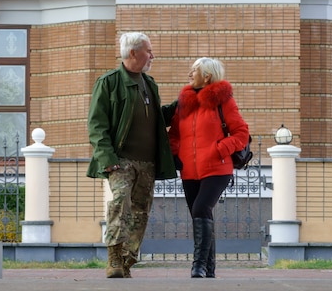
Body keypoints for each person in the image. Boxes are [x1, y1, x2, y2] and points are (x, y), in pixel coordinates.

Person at [87, 32, 177, 278]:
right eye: (149, 50)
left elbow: (157, 120)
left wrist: (182, 104)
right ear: (134, 52)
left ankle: (127, 261)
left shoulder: (150, 83)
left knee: (141, 212)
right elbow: (97, 125)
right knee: (120, 205)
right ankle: (114, 258)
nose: (153, 55)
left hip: (148, 163)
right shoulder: (109, 82)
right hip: (121, 161)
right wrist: (108, 160)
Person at [168, 57, 249, 278]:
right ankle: (209, 269)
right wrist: (176, 153)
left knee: (200, 210)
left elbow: (241, 133)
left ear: (207, 75)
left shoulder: (223, 101)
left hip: (217, 169)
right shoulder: (185, 103)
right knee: (201, 216)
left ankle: (198, 265)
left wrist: (220, 149)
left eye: (194, 70)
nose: (189, 74)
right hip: (189, 170)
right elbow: (174, 134)